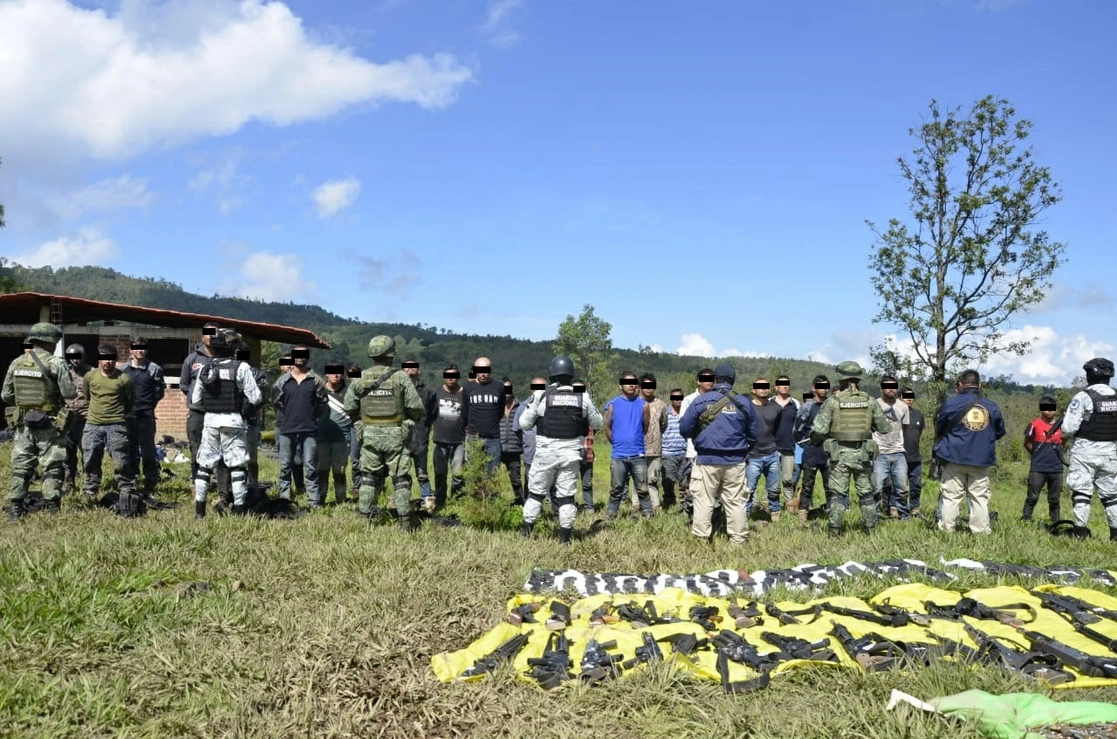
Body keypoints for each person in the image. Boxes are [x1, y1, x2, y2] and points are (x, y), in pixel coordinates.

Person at [518, 356, 604, 544]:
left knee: (535, 494)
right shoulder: (583, 396)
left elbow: (523, 423)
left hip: (545, 455)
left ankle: (526, 533)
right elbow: (598, 422)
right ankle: (565, 539)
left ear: (552, 374)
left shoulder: (541, 395)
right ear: (572, 374)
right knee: (566, 497)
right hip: (570, 455)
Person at [344, 336, 423, 530]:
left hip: (369, 434)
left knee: (369, 477)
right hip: (396, 434)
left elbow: (349, 405)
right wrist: (408, 421)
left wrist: (360, 424)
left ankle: (364, 519)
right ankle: (405, 522)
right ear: (391, 355)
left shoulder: (361, 378)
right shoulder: (401, 377)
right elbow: (416, 407)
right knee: (401, 479)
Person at [2, 323, 78, 518]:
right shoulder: (56, 363)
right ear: (51, 342)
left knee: (21, 467)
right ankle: (53, 510)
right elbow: (69, 393)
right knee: (52, 466)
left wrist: (26, 404)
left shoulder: (16, 362)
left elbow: (6, 395)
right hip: (49, 424)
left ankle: (16, 510)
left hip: (23, 424)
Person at [678, 363, 759, 545]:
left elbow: (684, 430)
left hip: (706, 459)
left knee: (703, 500)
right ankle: (738, 541)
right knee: (736, 501)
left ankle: (701, 540)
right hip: (736, 460)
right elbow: (754, 435)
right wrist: (742, 450)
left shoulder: (701, 401)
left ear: (714, 380)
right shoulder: (744, 402)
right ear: (733, 380)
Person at [811, 361, 892, 536]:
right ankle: (870, 530)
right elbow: (885, 428)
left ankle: (834, 532)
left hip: (839, 455)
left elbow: (819, 429)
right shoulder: (870, 401)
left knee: (837, 495)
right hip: (863, 455)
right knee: (866, 494)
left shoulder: (833, 402)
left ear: (840, 378)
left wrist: (815, 441)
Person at [190, 331, 262, 517]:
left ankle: (199, 512)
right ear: (232, 348)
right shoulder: (241, 367)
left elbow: (195, 400)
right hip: (234, 421)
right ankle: (239, 510)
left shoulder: (204, 368)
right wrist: (244, 409)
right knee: (237, 467)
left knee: (204, 467)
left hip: (210, 421)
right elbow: (256, 397)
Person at [933, 369, 1006, 535]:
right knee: (979, 497)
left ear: (959, 385)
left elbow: (940, 429)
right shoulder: (991, 406)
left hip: (953, 456)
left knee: (951, 496)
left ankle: (947, 530)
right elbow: (999, 432)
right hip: (980, 459)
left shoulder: (950, 404)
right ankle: (980, 532)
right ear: (979, 386)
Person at [1060, 358, 1117, 539]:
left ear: (1090, 375)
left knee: (1082, 493)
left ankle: (1080, 533)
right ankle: (1115, 534)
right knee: (1111, 496)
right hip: (1110, 453)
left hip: (1084, 452)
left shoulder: (1083, 397)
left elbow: (1068, 429)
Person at [82, 345, 138, 506]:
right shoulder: (90, 377)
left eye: (110, 358)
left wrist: (117, 414)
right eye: (103, 358)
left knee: (121, 459)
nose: (107, 362)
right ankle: (90, 487)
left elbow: (130, 401)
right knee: (90, 457)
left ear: (115, 359)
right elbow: (87, 397)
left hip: (116, 424)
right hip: (93, 424)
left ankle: (126, 487)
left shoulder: (124, 379)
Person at [274, 345, 327, 507]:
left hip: (309, 429)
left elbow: (322, 402)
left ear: (308, 357)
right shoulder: (282, 381)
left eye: (303, 354)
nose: (300, 357)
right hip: (287, 429)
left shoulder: (316, 380)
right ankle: (285, 499)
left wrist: (311, 417)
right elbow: (277, 402)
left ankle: (314, 501)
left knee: (310, 466)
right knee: (285, 466)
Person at [121, 337, 165, 501]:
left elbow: (159, 392)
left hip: (146, 416)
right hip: (128, 417)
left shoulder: (154, 369)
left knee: (148, 451)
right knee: (130, 451)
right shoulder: (123, 370)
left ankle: (150, 483)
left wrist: (148, 405)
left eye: (142, 348)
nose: (139, 350)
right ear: (131, 350)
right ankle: (131, 482)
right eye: (136, 348)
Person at [603, 371, 652, 519]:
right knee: (617, 487)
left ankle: (648, 515)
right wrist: (618, 442)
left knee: (642, 487)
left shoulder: (644, 405)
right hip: (619, 454)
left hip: (638, 454)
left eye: (634, 382)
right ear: (620, 385)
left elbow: (645, 427)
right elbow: (607, 428)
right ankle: (611, 515)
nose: (631, 385)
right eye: (627, 382)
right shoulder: (612, 405)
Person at [180, 323, 218, 487]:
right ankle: (197, 482)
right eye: (207, 333)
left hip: (218, 412)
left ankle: (217, 481)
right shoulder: (191, 359)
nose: (210, 336)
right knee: (196, 448)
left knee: (217, 448)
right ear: (202, 336)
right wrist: (197, 398)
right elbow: (184, 384)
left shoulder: (224, 358)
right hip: (197, 413)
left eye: (213, 334)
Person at [745, 378, 787, 520]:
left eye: (766, 386)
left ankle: (775, 514)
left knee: (774, 489)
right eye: (759, 386)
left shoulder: (776, 408)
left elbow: (779, 430)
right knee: (749, 490)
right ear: (753, 390)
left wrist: (778, 449)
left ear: (770, 389)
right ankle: (745, 516)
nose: (763, 389)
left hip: (772, 454)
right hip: (752, 455)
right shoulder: (747, 408)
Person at [794, 375, 831, 525]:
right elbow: (797, 430)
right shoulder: (807, 407)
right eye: (820, 386)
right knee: (808, 486)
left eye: (826, 386)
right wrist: (806, 446)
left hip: (829, 453)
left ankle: (832, 515)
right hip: (811, 453)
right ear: (814, 388)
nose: (824, 389)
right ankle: (803, 516)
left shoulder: (832, 405)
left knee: (831, 487)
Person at [873, 375, 910, 519]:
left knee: (901, 488)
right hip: (879, 452)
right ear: (882, 389)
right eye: (888, 386)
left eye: (894, 387)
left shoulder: (903, 407)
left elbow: (904, 427)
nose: (891, 389)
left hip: (898, 452)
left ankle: (904, 516)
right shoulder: (874, 405)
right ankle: (874, 516)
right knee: (876, 487)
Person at [461, 357, 506, 476]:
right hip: (473, 437)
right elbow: (464, 411)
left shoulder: (499, 387)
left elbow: (500, 410)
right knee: (473, 473)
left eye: (486, 370)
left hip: (493, 438)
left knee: (493, 474)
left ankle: (492, 496)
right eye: (480, 370)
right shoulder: (467, 387)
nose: (483, 374)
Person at [401, 360, 437, 511]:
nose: (410, 369)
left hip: (421, 438)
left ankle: (428, 503)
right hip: (401, 439)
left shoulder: (428, 392)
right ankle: (402, 502)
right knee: (401, 474)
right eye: (407, 367)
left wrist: (424, 427)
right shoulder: (397, 390)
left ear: (419, 371)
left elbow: (434, 414)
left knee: (422, 473)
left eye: (413, 367)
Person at [1023, 395, 1064, 524]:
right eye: (1046, 408)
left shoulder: (1062, 425)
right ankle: (1025, 519)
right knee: (1032, 497)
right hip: (1038, 468)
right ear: (1041, 409)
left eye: (1052, 408)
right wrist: (1037, 455)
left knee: (1054, 498)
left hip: (1056, 468)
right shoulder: (1034, 424)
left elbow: (1064, 443)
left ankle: (1055, 521)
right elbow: (1027, 443)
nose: (1050, 411)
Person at [317, 362, 353, 506]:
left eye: (338, 371)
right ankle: (320, 499)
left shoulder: (349, 392)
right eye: (332, 371)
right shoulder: (318, 390)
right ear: (326, 373)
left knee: (340, 472)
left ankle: (341, 500)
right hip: (321, 438)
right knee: (321, 471)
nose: (335, 374)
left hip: (342, 439)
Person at [236, 343, 270, 489]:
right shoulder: (230, 372)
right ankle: (237, 486)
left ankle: (253, 485)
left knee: (251, 457)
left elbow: (263, 397)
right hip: (232, 420)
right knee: (235, 458)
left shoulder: (257, 374)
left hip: (250, 421)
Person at [61, 343, 93, 495]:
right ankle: (69, 483)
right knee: (68, 454)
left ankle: (89, 484)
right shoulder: (63, 373)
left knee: (88, 453)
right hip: (68, 420)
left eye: (78, 357)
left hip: (86, 419)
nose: (76, 360)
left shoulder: (91, 373)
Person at [432, 364, 466, 507]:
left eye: (454, 375)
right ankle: (440, 500)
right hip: (439, 440)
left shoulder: (465, 393)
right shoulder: (436, 393)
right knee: (440, 474)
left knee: (458, 475)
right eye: (448, 376)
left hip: (459, 440)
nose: (451, 378)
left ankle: (457, 500)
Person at [637, 373, 668, 514]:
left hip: (655, 449)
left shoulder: (661, 404)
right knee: (638, 479)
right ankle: (636, 506)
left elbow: (664, 424)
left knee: (653, 479)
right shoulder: (635, 403)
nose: (649, 389)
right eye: (646, 386)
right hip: (637, 447)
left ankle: (655, 506)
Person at [772, 375, 800, 514]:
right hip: (771, 447)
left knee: (788, 479)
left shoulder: (795, 403)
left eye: (786, 384)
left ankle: (789, 504)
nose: (784, 386)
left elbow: (800, 425)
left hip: (789, 447)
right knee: (773, 479)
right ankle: (772, 506)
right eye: (781, 384)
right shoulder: (770, 402)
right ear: (776, 387)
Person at [498, 377, 525, 505]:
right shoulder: (495, 407)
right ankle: (495, 503)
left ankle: (520, 501)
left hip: (514, 448)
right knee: (493, 478)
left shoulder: (521, 406)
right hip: (497, 447)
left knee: (516, 479)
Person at [660, 388, 688, 510]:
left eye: (679, 397)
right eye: (674, 398)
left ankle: (685, 503)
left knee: (685, 481)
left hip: (684, 452)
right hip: (668, 452)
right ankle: (669, 502)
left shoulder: (687, 413)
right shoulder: (665, 413)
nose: (677, 401)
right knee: (668, 481)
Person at [900, 388, 925, 516]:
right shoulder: (896, 413)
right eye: (906, 396)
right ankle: (899, 509)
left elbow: (919, 433)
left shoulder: (919, 415)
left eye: (911, 396)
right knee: (900, 486)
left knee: (916, 485)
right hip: (899, 455)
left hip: (915, 456)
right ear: (900, 397)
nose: (909, 399)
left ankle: (915, 508)